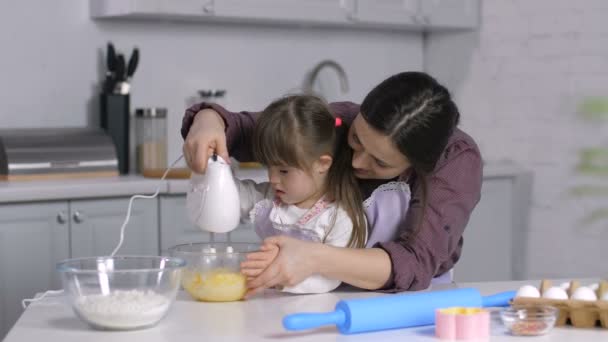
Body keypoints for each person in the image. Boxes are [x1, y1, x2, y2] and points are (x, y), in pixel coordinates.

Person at [181, 71, 482, 295]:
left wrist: (313, 257)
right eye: (356, 141)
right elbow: (246, 129)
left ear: (417, 166)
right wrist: (209, 120)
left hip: (413, 303)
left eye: (380, 163)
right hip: (323, 294)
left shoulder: (454, 163)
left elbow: (414, 262)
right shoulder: (338, 121)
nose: (356, 162)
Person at [226, 94, 376, 293]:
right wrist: (214, 170)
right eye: (268, 167)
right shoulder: (271, 198)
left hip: (313, 311)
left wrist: (275, 278)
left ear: (322, 164)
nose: (272, 178)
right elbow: (234, 196)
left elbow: (330, 280)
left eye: (284, 171)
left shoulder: (340, 218)